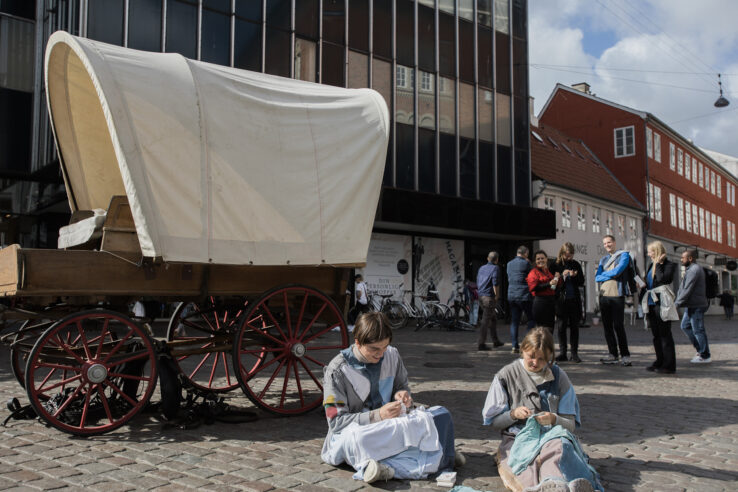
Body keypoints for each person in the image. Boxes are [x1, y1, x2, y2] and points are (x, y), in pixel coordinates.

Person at [321, 312, 464, 483]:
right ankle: (439, 456)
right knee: (357, 439)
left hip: (392, 424)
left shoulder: (392, 354)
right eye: (374, 349)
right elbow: (336, 422)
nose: (380, 354)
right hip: (362, 431)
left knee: (442, 415)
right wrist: (378, 415)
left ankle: (389, 465)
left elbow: (401, 386)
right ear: (357, 342)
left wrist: (402, 395)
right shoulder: (336, 371)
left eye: (384, 347)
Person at [482, 328, 602, 492]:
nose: (535, 363)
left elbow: (570, 425)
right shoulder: (506, 375)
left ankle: (555, 484)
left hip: (551, 434)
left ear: (550, 356)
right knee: (525, 463)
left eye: (542, 359)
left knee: (558, 449)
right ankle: (535, 488)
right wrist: (513, 414)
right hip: (518, 437)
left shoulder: (559, 377)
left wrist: (554, 419)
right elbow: (494, 422)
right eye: (531, 356)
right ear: (523, 349)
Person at [640, 241, 678, 374]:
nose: (648, 254)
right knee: (656, 335)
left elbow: (663, 279)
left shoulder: (668, 265)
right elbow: (650, 284)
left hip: (661, 304)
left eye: (650, 251)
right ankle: (659, 361)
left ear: (656, 252)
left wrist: (659, 264)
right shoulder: (651, 265)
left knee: (665, 335)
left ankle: (669, 364)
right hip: (651, 303)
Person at [594, 235, 633, 366]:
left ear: (614, 242)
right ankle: (613, 354)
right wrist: (608, 275)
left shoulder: (624, 256)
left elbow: (618, 271)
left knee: (618, 326)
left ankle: (625, 355)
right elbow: (597, 278)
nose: (607, 245)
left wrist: (604, 275)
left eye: (609, 242)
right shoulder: (603, 259)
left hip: (617, 295)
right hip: (604, 295)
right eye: (605, 243)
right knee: (607, 327)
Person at [674, 248, 711, 364]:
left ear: (690, 258)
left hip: (697, 305)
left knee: (698, 330)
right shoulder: (690, 269)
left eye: (682, 258)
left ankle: (705, 355)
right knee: (685, 326)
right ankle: (701, 350)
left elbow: (687, 289)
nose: (681, 260)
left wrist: (677, 304)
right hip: (691, 304)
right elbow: (683, 288)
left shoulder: (694, 270)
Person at [550, 243, 584, 363]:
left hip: (574, 299)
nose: (569, 258)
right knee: (561, 327)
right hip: (560, 300)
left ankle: (574, 353)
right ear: (562, 253)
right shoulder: (555, 264)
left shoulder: (576, 264)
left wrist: (574, 276)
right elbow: (551, 284)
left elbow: (581, 282)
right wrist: (561, 277)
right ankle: (563, 352)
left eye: (571, 255)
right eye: (567, 256)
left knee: (575, 326)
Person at [507, 245, 535, 354]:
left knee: (514, 321)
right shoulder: (526, 263)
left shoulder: (509, 264)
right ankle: (525, 343)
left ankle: (514, 346)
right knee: (532, 319)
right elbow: (532, 276)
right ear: (526, 253)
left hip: (512, 295)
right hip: (524, 295)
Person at [526, 250, 559, 331]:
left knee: (551, 328)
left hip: (550, 302)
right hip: (540, 303)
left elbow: (553, 288)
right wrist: (549, 283)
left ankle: (548, 343)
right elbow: (533, 288)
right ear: (535, 261)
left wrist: (556, 278)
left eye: (542, 258)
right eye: (538, 259)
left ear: (546, 259)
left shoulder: (548, 272)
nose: (540, 260)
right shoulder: (533, 272)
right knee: (541, 330)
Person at [477, 251, 503, 350]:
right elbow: (495, 282)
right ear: (497, 260)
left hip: (481, 296)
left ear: (488, 258)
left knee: (493, 319)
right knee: (485, 321)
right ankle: (481, 344)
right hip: (489, 297)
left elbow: (478, 280)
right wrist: (497, 295)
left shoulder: (481, 268)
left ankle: (496, 341)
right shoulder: (495, 268)